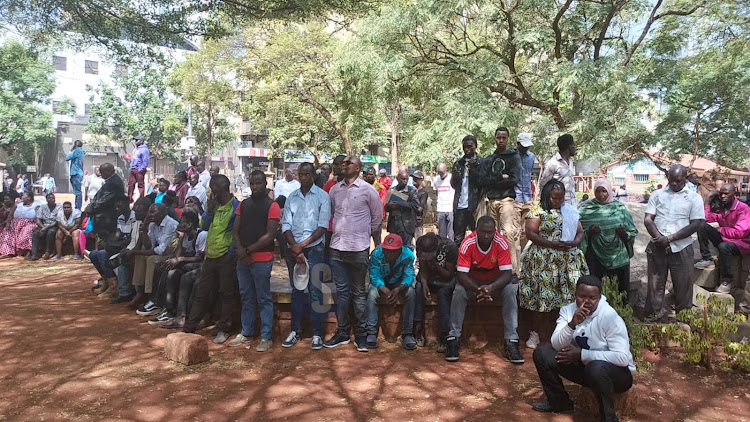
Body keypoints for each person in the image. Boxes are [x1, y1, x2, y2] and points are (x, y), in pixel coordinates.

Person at [532, 275, 635, 421]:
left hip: (616, 375)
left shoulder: (610, 317)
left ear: (599, 298)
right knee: (543, 354)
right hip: (586, 370)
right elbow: (556, 344)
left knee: (596, 367)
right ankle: (560, 402)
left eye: (592, 298)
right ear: (575, 295)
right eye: (581, 296)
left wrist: (582, 354)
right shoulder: (568, 311)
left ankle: (609, 418)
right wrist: (572, 324)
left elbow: (622, 358)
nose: (586, 301)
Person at [446, 215, 523, 363]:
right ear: (476, 230)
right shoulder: (467, 243)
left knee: (510, 291)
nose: (486, 236)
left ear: (495, 231)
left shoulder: (502, 243)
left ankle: (512, 340)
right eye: (483, 231)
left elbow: (507, 274)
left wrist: (491, 288)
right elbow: (462, 275)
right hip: (472, 282)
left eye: (490, 232)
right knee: (459, 291)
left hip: (495, 282)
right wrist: (479, 290)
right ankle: (453, 337)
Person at [521, 180, 588, 349]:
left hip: (568, 261)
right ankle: (536, 334)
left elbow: (580, 233)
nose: (557, 201)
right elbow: (530, 233)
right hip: (543, 261)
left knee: (569, 297)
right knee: (541, 296)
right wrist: (552, 244)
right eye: (554, 197)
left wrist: (574, 243)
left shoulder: (570, 211)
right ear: (547, 195)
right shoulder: (538, 211)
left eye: (560, 198)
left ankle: (568, 335)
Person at [326, 155, 383, 351]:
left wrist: (364, 234)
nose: (344, 165)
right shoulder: (334, 190)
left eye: (349, 163)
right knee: (341, 293)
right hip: (337, 248)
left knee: (359, 293)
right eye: (344, 163)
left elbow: (377, 219)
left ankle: (361, 335)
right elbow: (333, 214)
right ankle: (342, 333)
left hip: (358, 249)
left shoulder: (369, 191)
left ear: (358, 168)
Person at [183, 175, 241, 343]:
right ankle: (189, 327)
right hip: (210, 255)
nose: (210, 191)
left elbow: (237, 231)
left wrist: (231, 252)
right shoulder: (214, 206)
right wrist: (209, 210)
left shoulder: (236, 206)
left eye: (212, 188)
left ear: (220, 188)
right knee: (201, 291)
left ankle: (224, 328)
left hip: (226, 257)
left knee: (226, 293)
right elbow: (204, 225)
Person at [279, 162, 330, 350]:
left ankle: (317, 334)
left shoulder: (323, 197)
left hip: (314, 248)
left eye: (307, 174)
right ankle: (295, 331)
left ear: (313, 176)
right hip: (294, 249)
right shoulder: (292, 197)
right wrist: (294, 247)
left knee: (316, 291)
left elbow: (323, 226)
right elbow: (286, 225)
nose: (303, 177)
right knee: (297, 290)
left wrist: (302, 246)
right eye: (301, 174)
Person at [644, 164, 704, 322]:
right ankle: (652, 318)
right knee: (655, 285)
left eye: (678, 181)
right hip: (657, 245)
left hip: (682, 247)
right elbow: (648, 219)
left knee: (683, 286)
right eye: (671, 180)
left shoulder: (694, 197)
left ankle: (683, 321)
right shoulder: (657, 195)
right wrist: (660, 239)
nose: (674, 184)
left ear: (685, 178)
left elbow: (696, 224)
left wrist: (670, 239)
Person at [228, 170, 280, 352]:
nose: (255, 186)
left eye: (258, 183)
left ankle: (266, 336)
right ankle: (246, 331)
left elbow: (270, 234)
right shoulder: (243, 204)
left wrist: (247, 250)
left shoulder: (272, 206)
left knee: (264, 297)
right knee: (246, 296)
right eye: (253, 183)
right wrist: (241, 251)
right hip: (243, 258)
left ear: (265, 184)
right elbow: (235, 230)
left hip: (262, 259)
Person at [147, 211, 207, 326]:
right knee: (167, 267)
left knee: (177, 273)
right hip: (188, 262)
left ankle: (178, 314)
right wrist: (180, 238)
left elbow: (200, 258)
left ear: (189, 224)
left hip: (201, 264)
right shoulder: (185, 235)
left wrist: (180, 260)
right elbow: (178, 254)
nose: (178, 225)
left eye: (181, 223)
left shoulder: (202, 235)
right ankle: (164, 306)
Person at [578, 179, 638, 294]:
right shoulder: (586, 209)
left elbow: (632, 231)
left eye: (604, 191)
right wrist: (589, 233)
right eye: (598, 191)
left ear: (610, 191)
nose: (601, 194)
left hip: (618, 256)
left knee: (620, 291)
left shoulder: (620, 208)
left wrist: (624, 234)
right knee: (596, 290)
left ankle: (620, 311)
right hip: (595, 257)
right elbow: (578, 231)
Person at [479, 127, 522, 275]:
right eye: (499, 137)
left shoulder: (513, 157)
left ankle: (513, 271)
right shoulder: (489, 159)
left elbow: (514, 180)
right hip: (491, 201)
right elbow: (482, 180)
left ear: (508, 139)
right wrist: (500, 178)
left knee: (509, 233)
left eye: (504, 137)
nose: (501, 140)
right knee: (489, 235)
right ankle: (493, 268)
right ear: (495, 138)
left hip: (507, 200)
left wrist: (494, 182)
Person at [694, 183, 750, 294]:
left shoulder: (743, 208)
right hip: (725, 239)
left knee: (723, 246)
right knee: (701, 225)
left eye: (726, 194)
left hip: (740, 243)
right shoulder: (721, 207)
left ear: (734, 194)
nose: (723, 196)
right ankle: (707, 258)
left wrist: (721, 230)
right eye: (721, 194)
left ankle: (727, 281)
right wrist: (708, 199)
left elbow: (741, 232)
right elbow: (705, 218)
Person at [365, 233, 418, 350]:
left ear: (400, 250)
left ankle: (407, 333)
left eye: (393, 251)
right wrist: (385, 290)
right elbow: (374, 276)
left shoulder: (408, 255)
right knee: (372, 293)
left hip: (399, 284)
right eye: (386, 250)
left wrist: (398, 289)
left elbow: (409, 276)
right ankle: (371, 332)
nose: (388, 254)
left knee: (411, 293)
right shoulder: (376, 254)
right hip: (381, 283)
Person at [127, 203, 178, 313]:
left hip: (171, 255)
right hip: (160, 253)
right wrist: (144, 228)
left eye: (153, 212)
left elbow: (162, 249)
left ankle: (151, 296)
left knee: (151, 259)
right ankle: (140, 292)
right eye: (149, 212)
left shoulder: (170, 224)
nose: (150, 215)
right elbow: (150, 245)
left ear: (163, 213)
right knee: (140, 257)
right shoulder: (153, 224)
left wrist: (136, 251)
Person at [414, 232, 457, 352]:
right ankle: (418, 328)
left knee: (444, 294)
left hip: (445, 280)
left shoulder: (450, 247)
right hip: (429, 279)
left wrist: (434, 264)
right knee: (418, 289)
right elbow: (423, 269)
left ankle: (444, 333)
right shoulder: (421, 243)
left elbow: (449, 275)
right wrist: (424, 283)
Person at [88, 196, 133, 300]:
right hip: (120, 245)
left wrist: (111, 245)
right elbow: (118, 235)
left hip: (129, 247)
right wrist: (107, 243)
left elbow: (131, 239)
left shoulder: (134, 217)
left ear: (127, 204)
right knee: (93, 254)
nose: (117, 209)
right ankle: (107, 282)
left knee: (102, 254)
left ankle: (114, 286)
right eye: (116, 207)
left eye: (119, 206)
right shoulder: (121, 218)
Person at [109, 197, 151, 303]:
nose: (135, 212)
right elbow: (133, 241)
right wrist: (127, 249)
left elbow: (148, 245)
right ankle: (124, 292)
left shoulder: (151, 224)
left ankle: (138, 292)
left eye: (138, 210)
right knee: (118, 260)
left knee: (127, 260)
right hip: (135, 250)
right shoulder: (137, 222)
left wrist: (131, 251)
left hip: (146, 253)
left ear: (146, 211)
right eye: (135, 209)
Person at [451, 135, 482, 244]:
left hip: (475, 206)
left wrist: (473, 170)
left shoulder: (481, 162)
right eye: (465, 147)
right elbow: (453, 185)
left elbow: (482, 183)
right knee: (458, 239)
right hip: (460, 206)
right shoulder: (458, 163)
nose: (467, 149)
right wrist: (455, 177)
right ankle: (458, 260)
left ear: (475, 146)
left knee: (479, 236)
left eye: (470, 146)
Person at [85, 163, 125, 239]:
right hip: (104, 215)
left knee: (104, 239)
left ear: (108, 171)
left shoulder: (114, 182)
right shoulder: (110, 180)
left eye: (102, 172)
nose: (100, 174)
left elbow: (105, 200)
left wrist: (90, 208)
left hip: (107, 217)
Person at [539, 134, 577, 205]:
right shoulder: (552, 163)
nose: (575, 148)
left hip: (572, 205)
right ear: (569, 146)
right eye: (574, 145)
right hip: (558, 206)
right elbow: (543, 185)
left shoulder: (571, 162)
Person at [386, 169, 420, 248]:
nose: (405, 181)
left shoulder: (412, 191)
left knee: (406, 248)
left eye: (406, 179)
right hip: (394, 224)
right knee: (393, 247)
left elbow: (415, 205)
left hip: (406, 224)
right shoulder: (392, 190)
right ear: (397, 179)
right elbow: (386, 207)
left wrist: (399, 204)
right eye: (403, 179)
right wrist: (390, 206)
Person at [0, 191, 37, 258]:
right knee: (7, 231)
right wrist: (8, 223)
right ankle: (8, 252)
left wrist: (37, 224)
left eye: (23, 196)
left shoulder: (36, 206)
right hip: (16, 222)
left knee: (27, 232)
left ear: (29, 197)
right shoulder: (18, 205)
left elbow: (38, 217)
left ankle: (25, 251)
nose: (22, 197)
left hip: (29, 223)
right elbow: (11, 215)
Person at [515, 133, 536, 251]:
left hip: (527, 197)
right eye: (523, 145)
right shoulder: (512, 155)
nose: (526, 148)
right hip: (515, 198)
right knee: (513, 231)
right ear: (518, 144)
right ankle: (514, 261)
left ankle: (518, 253)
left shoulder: (531, 157)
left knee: (526, 231)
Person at [31, 193, 62, 260]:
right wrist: (43, 227)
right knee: (36, 232)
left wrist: (45, 228)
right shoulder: (43, 207)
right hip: (43, 225)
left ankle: (48, 252)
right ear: (46, 199)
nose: (51, 200)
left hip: (54, 225)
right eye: (49, 198)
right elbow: (38, 219)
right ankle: (34, 253)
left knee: (50, 232)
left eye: (53, 198)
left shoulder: (59, 207)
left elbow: (57, 221)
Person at [434, 163, 455, 240]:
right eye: (439, 172)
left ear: (446, 170)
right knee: (442, 235)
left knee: (451, 234)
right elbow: (436, 192)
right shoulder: (436, 179)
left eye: (442, 172)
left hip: (450, 209)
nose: (441, 174)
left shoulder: (452, 178)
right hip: (440, 209)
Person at [128, 135, 150, 201]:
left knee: (140, 185)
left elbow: (145, 161)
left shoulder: (144, 150)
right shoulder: (135, 149)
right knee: (131, 184)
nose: (135, 141)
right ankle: (129, 198)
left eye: (137, 140)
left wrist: (141, 169)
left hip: (139, 169)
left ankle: (141, 199)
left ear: (141, 141)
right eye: (135, 140)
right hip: (133, 168)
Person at [65, 140, 85, 209]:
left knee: (78, 192)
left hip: (76, 173)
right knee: (77, 192)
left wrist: (71, 150)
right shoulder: (81, 152)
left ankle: (78, 208)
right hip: (78, 173)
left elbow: (67, 158)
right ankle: (77, 207)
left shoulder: (77, 151)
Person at [412, 170, 428, 239]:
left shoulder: (423, 193)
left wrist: (409, 206)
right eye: (413, 178)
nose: (414, 180)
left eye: (416, 178)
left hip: (417, 222)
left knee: (419, 242)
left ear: (421, 180)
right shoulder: (412, 191)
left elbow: (420, 209)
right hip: (409, 222)